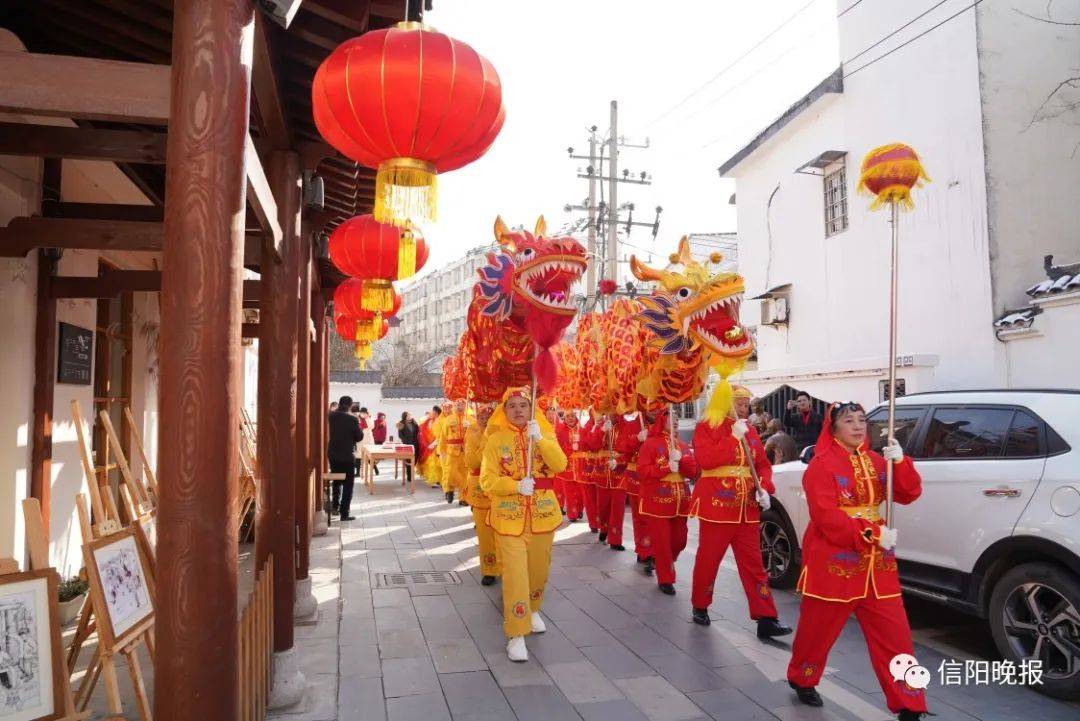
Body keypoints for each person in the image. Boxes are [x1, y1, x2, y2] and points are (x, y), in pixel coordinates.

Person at [786, 402, 927, 720]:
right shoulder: (821, 466)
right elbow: (826, 518)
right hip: (835, 561)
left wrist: (901, 462)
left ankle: (910, 704)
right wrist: (871, 534)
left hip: (878, 565)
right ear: (833, 427)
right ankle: (802, 676)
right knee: (817, 631)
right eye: (848, 420)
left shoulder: (878, 461)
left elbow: (908, 493)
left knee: (896, 634)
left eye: (862, 420)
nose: (858, 425)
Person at [689, 385, 792, 637]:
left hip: (747, 507)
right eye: (740, 404)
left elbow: (763, 466)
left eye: (746, 404)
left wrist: (765, 488)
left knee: (754, 564)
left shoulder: (751, 432)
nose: (745, 409)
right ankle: (700, 604)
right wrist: (732, 438)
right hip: (717, 506)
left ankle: (766, 617)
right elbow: (707, 460)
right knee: (709, 558)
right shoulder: (706, 427)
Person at [479, 387, 567, 662]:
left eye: (523, 405)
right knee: (515, 573)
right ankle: (516, 633)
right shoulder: (495, 440)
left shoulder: (544, 433)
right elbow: (487, 480)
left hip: (542, 514)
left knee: (538, 570)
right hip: (508, 517)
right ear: (504, 411)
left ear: (532, 409)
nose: (518, 410)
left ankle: (534, 608)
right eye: (512, 406)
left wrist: (540, 439)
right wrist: (514, 485)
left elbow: (560, 465)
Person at [636, 407, 699, 594]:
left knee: (679, 541)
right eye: (671, 417)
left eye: (677, 417)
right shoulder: (650, 444)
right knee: (662, 542)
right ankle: (666, 578)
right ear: (661, 421)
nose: (676, 420)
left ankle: (662, 561)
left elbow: (693, 471)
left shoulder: (683, 445)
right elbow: (643, 472)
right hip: (657, 501)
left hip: (680, 501)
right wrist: (665, 468)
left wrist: (683, 462)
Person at [464, 402, 500, 586]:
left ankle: (506, 565)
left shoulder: (502, 432)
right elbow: (472, 461)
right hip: (479, 488)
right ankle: (489, 569)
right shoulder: (472, 433)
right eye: (481, 418)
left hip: (501, 489)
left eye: (489, 418)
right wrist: (486, 438)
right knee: (484, 532)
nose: (485, 421)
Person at [608, 412, 649, 560]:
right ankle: (613, 536)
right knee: (617, 507)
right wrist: (601, 431)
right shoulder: (628, 424)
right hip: (619, 471)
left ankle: (650, 550)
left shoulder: (660, 425)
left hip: (646, 474)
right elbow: (624, 448)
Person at [327, 395, 363, 521]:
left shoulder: (330, 416)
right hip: (347, 455)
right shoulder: (352, 419)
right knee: (348, 484)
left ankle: (335, 506)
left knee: (336, 480)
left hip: (333, 453)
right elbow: (359, 437)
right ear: (350, 405)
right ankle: (344, 513)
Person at [438, 401, 468, 505]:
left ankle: (463, 498)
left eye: (462, 405)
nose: (460, 407)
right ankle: (449, 490)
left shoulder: (470, 419)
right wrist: (441, 450)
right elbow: (443, 436)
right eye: (458, 405)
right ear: (454, 406)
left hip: (466, 452)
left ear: (465, 406)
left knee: (465, 475)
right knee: (450, 473)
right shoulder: (448, 420)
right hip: (451, 451)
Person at [556, 411, 584, 522]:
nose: (571, 418)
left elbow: (588, 444)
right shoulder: (560, 431)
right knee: (569, 491)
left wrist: (580, 444)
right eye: (568, 416)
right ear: (565, 418)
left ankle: (580, 509)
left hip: (580, 465)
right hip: (567, 465)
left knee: (581, 491)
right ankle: (572, 514)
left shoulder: (581, 429)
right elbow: (558, 448)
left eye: (573, 416)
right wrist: (570, 448)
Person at [417, 407, 443, 488]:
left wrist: (435, 443)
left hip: (437, 446)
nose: (431, 413)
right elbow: (422, 432)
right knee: (431, 464)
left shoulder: (440, 421)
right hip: (428, 446)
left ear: (437, 414)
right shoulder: (426, 421)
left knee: (439, 464)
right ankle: (433, 480)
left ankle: (439, 480)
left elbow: (441, 434)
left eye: (433, 412)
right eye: (431, 412)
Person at [397, 412, 421, 487]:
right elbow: (400, 435)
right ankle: (409, 476)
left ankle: (411, 474)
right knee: (408, 460)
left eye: (411, 415)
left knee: (414, 459)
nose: (410, 416)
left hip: (415, 444)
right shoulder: (401, 423)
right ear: (405, 416)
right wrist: (405, 441)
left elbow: (418, 432)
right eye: (409, 415)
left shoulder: (414, 423)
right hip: (407, 444)